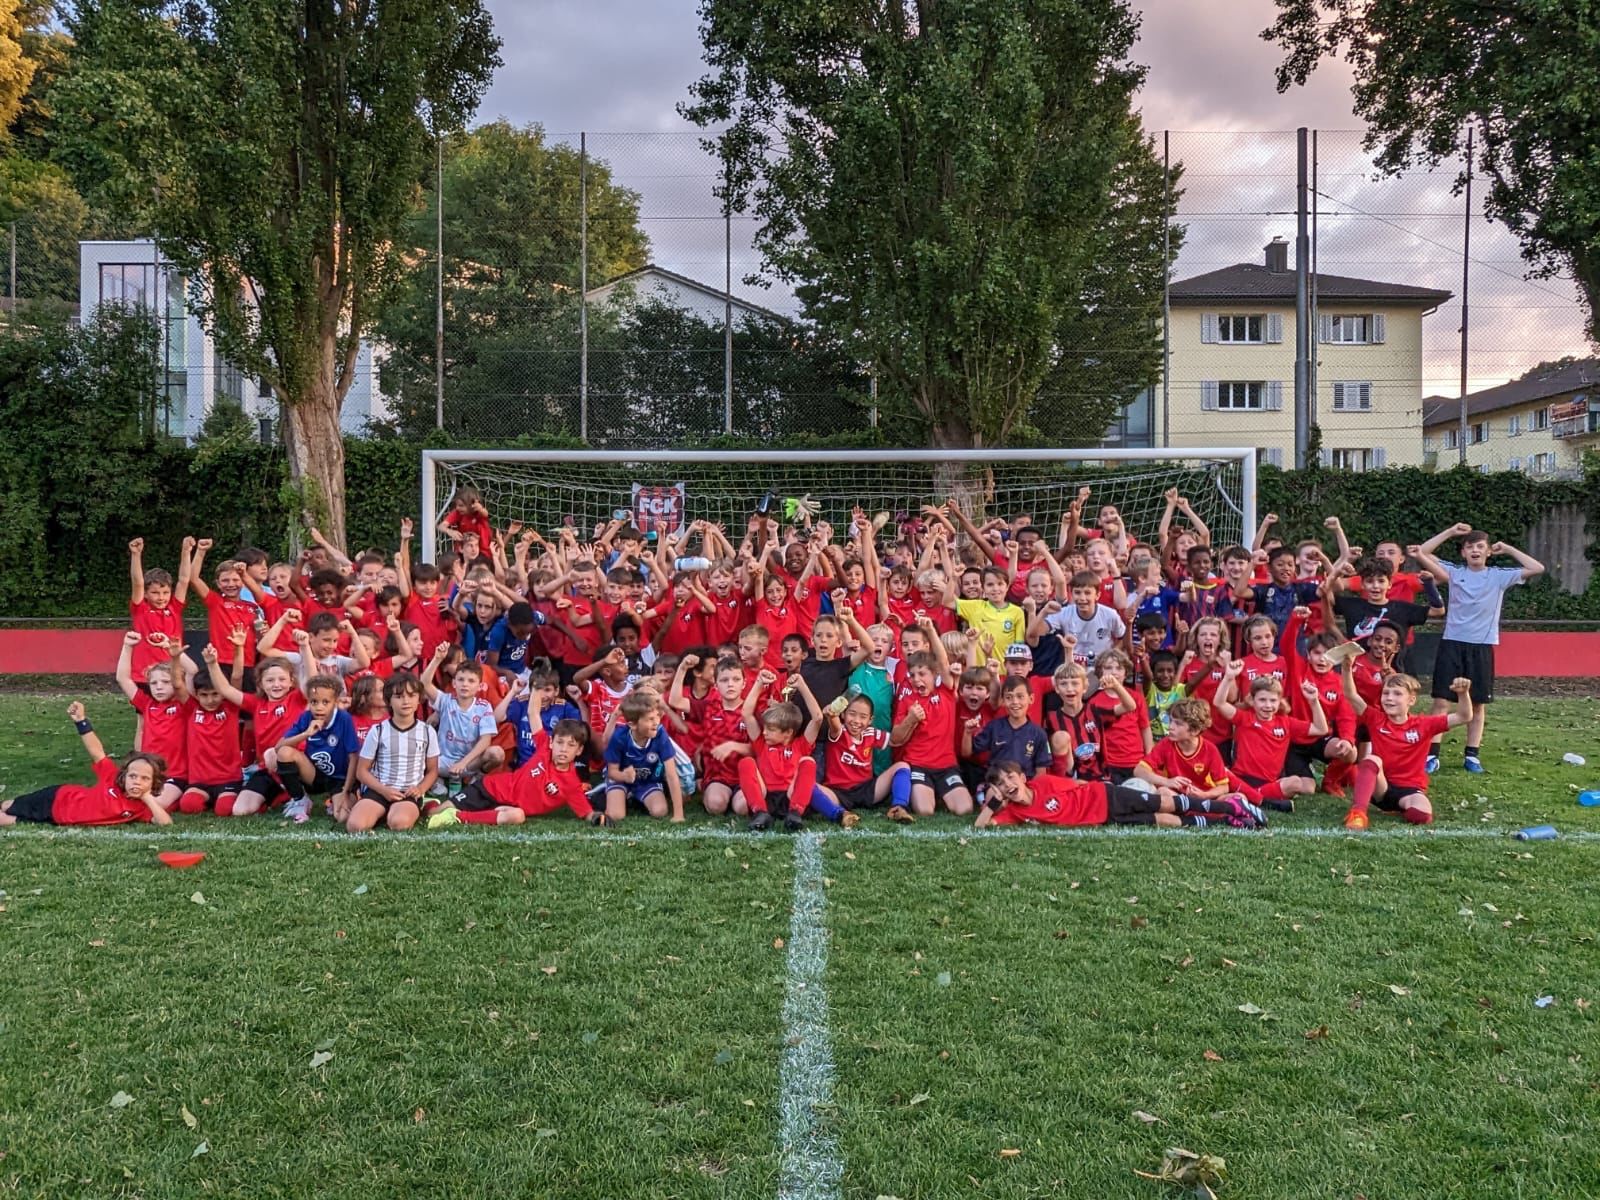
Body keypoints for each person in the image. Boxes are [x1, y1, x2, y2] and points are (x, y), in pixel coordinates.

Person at [1410, 524, 1544, 774]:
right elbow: (1424, 552)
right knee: (1441, 701)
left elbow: (1538, 568)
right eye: (1469, 547)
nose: (1474, 550)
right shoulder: (1452, 571)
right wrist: (1450, 532)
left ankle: (1472, 755)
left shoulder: (1498, 576)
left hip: (1481, 646)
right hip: (1452, 643)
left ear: (1488, 552)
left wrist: (1509, 549)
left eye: (1480, 546)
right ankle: (1432, 755)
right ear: (1463, 553)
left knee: (1478, 703)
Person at [432, 685, 605, 827]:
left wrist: (599, 818)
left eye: (571, 745)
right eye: (560, 743)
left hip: (508, 809)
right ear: (552, 742)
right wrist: (537, 685)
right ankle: (430, 805)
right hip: (490, 789)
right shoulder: (545, 747)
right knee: (434, 813)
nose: (563, 749)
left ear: (579, 750)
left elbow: (587, 813)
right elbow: (533, 713)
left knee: (518, 816)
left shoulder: (572, 784)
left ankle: (457, 817)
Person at [1340, 666, 1473, 830]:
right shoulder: (1376, 718)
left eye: (1397, 694)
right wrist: (1346, 668)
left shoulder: (1424, 724)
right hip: (1381, 788)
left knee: (1421, 816)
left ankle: (1400, 807)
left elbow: (1464, 716)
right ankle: (1358, 813)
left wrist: (1463, 693)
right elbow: (1351, 695)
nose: (1389, 698)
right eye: (1386, 693)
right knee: (1371, 759)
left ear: (1411, 700)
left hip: (1409, 790)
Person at [1, 702, 172, 827]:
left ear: (152, 783)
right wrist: (81, 721)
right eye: (133, 776)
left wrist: (147, 797)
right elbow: (97, 752)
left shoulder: (142, 808)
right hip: (57, 799)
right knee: (8, 806)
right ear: (124, 776)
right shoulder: (112, 777)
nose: (136, 781)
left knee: (8, 821)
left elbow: (165, 824)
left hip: (59, 820)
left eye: (144, 778)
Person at [975, 759, 1257, 830]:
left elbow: (1080, 784)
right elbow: (981, 827)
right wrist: (995, 801)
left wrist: (1108, 787)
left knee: (1165, 803)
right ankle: (1225, 823)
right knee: (1159, 819)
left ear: (1023, 777)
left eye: (1011, 777)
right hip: (1104, 819)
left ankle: (1232, 808)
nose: (1009, 784)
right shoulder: (1013, 812)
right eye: (1002, 783)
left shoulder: (1045, 783)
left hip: (1106, 797)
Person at [1212, 664, 1327, 812]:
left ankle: (1252, 798)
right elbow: (1219, 703)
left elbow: (1321, 728)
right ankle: (1264, 802)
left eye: (1273, 701)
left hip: (1268, 784)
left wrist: (1314, 701)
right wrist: (1228, 677)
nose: (1268, 705)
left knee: (1295, 782)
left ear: (1279, 702)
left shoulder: (1286, 722)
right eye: (1262, 700)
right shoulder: (1244, 718)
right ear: (1252, 701)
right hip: (1242, 780)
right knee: (1222, 770)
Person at [889, 617, 973, 819]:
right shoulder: (907, 698)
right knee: (925, 811)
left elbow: (943, 662)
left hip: (946, 764)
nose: (917, 679)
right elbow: (895, 739)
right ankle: (927, 791)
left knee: (965, 809)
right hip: (917, 764)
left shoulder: (945, 690)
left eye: (922, 674)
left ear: (933, 674)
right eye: (912, 675)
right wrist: (910, 719)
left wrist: (930, 631)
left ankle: (940, 791)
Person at [350, 673, 439, 833]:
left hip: (408, 793)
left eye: (411, 696)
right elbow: (361, 771)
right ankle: (379, 810)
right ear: (388, 701)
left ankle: (401, 810)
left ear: (419, 699)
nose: (406, 701)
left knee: (399, 824)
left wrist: (420, 789)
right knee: (355, 826)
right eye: (399, 696)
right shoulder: (378, 730)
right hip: (379, 790)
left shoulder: (427, 731)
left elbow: (433, 770)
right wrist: (384, 790)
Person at [113, 630, 186, 813]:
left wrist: (174, 654)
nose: (159, 687)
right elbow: (122, 678)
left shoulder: (184, 705)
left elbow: (187, 677)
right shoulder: (147, 704)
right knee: (119, 796)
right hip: (148, 773)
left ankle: (174, 797)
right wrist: (128, 646)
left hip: (175, 774)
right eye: (154, 683)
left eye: (165, 682)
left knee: (155, 804)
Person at [274, 675, 360, 823]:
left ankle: (336, 800)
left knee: (342, 817)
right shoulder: (306, 717)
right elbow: (278, 747)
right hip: (314, 775)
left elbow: (354, 756)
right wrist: (306, 733)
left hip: (340, 779)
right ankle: (300, 800)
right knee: (284, 752)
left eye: (325, 702)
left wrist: (346, 790)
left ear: (335, 702)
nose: (319, 707)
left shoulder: (343, 719)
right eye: (314, 702)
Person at [178, 640, 250, 815]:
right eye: (204, 695)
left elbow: (237, 676)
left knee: (224, 809)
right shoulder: (191, 708)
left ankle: (239, 797)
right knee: (189, 805)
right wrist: (175, 657)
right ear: (196, 694)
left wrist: (238, 647)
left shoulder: (230, 707)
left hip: (228, 777)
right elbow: (177, 684)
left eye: (215, 694)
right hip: (200, 780)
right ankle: (207, 798)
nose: (210, 700)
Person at [421, 651, 505, 794]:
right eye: (461, 680)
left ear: (479, 686)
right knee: (416, 754)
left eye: (471, 681)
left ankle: (476, 778)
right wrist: (437, 659)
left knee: (497, 753)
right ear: (454, 683)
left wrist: (463, 763)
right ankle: (434, 780)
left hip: (469, 764)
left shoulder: (484, 707)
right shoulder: (446, 701)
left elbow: (486, 740)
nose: (465, 684)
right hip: (442, 762)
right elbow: (424, 683)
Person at [602, 691, 686, 823]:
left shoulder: (660, 734)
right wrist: (624, 776)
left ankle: (634, 798)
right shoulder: (619, 737)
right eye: (650, 719)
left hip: (648, 780)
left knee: (660, 811)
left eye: (657, 716)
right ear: (632, 724)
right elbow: (612, 772)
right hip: (620, 779)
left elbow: (671, 774)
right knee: (616, 815)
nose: (656, 722)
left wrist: (678, 814)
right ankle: (608, 794)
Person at [817, 692, 907, 813]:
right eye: (852, 714)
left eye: (863, 717)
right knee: (810, 786)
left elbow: (895, 741)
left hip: (866, 790)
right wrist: (831, 715)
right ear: (843, 714)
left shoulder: (871, 733)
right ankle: (838, 814)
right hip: (838, 792)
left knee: (902, 766)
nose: (856, 721)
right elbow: (835, 725)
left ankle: (899, 807)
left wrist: (912, 719)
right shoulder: (840, 732)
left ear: (870, 720)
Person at [1086, 649, 1151, 784]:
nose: (1114, 672)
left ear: (1126, 673)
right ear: (1100, 672)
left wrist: (1149, 756)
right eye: (1108, 668)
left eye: (1119, 668)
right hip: (1110, 763)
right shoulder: (1095, 701)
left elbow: (1145, 727)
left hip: (1136, 761)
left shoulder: (1137, 697)